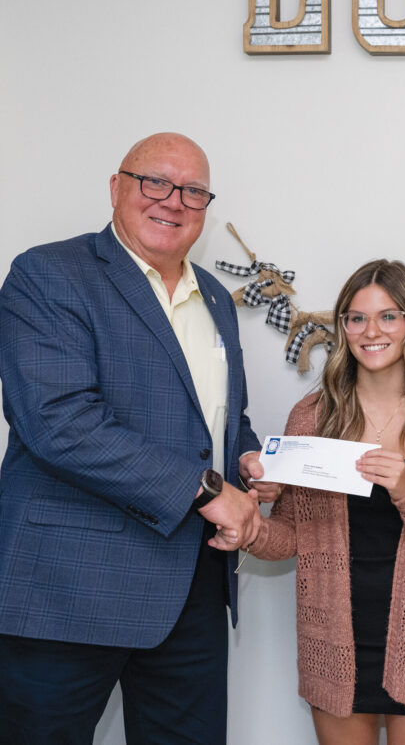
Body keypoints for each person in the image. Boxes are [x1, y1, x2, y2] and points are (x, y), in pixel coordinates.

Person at [0, 132, 274, 744]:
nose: (174, 201)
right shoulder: (48, 275)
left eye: (193, 191)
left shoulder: (216, 300)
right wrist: (209, 491)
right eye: (156, 182)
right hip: (66, 591)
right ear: (117, 187)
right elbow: (61, 425)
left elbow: (222, 417)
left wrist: (247, 460)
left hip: (193, 588)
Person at [246, 259, 405, 745]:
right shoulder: (310, 417)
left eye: (388, 316)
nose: (371, 330)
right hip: (331, 646)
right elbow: (291, 534)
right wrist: (249, 528)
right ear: (343, 327)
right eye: (356, 318)